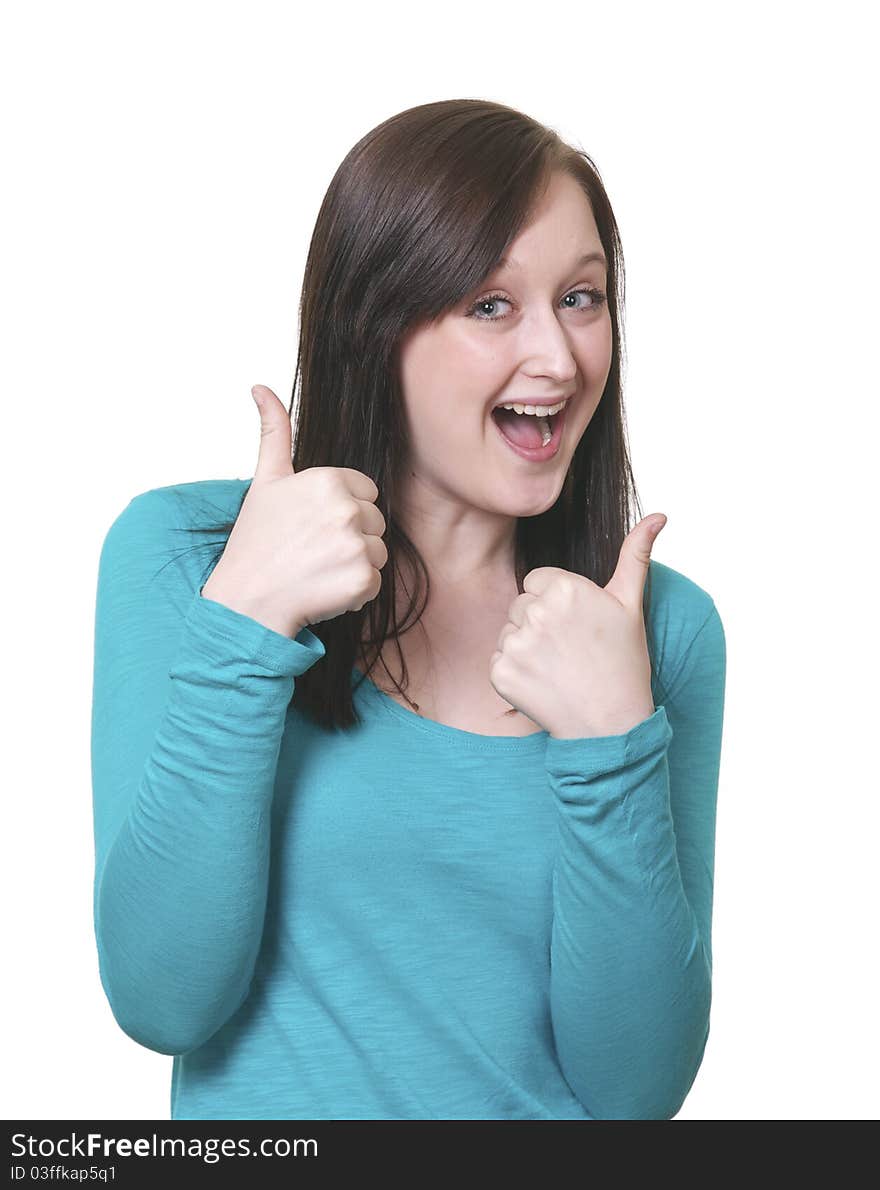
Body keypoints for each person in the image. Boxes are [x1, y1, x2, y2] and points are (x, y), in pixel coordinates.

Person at [90, 98, 726, 1121]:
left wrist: (611, 740)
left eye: (581, 297)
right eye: (490, 305)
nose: (560, 360)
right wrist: (245, 628)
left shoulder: (656, 628)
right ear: (374, 321)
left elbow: (635, 1091)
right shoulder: (185, 555)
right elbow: (164, 999)